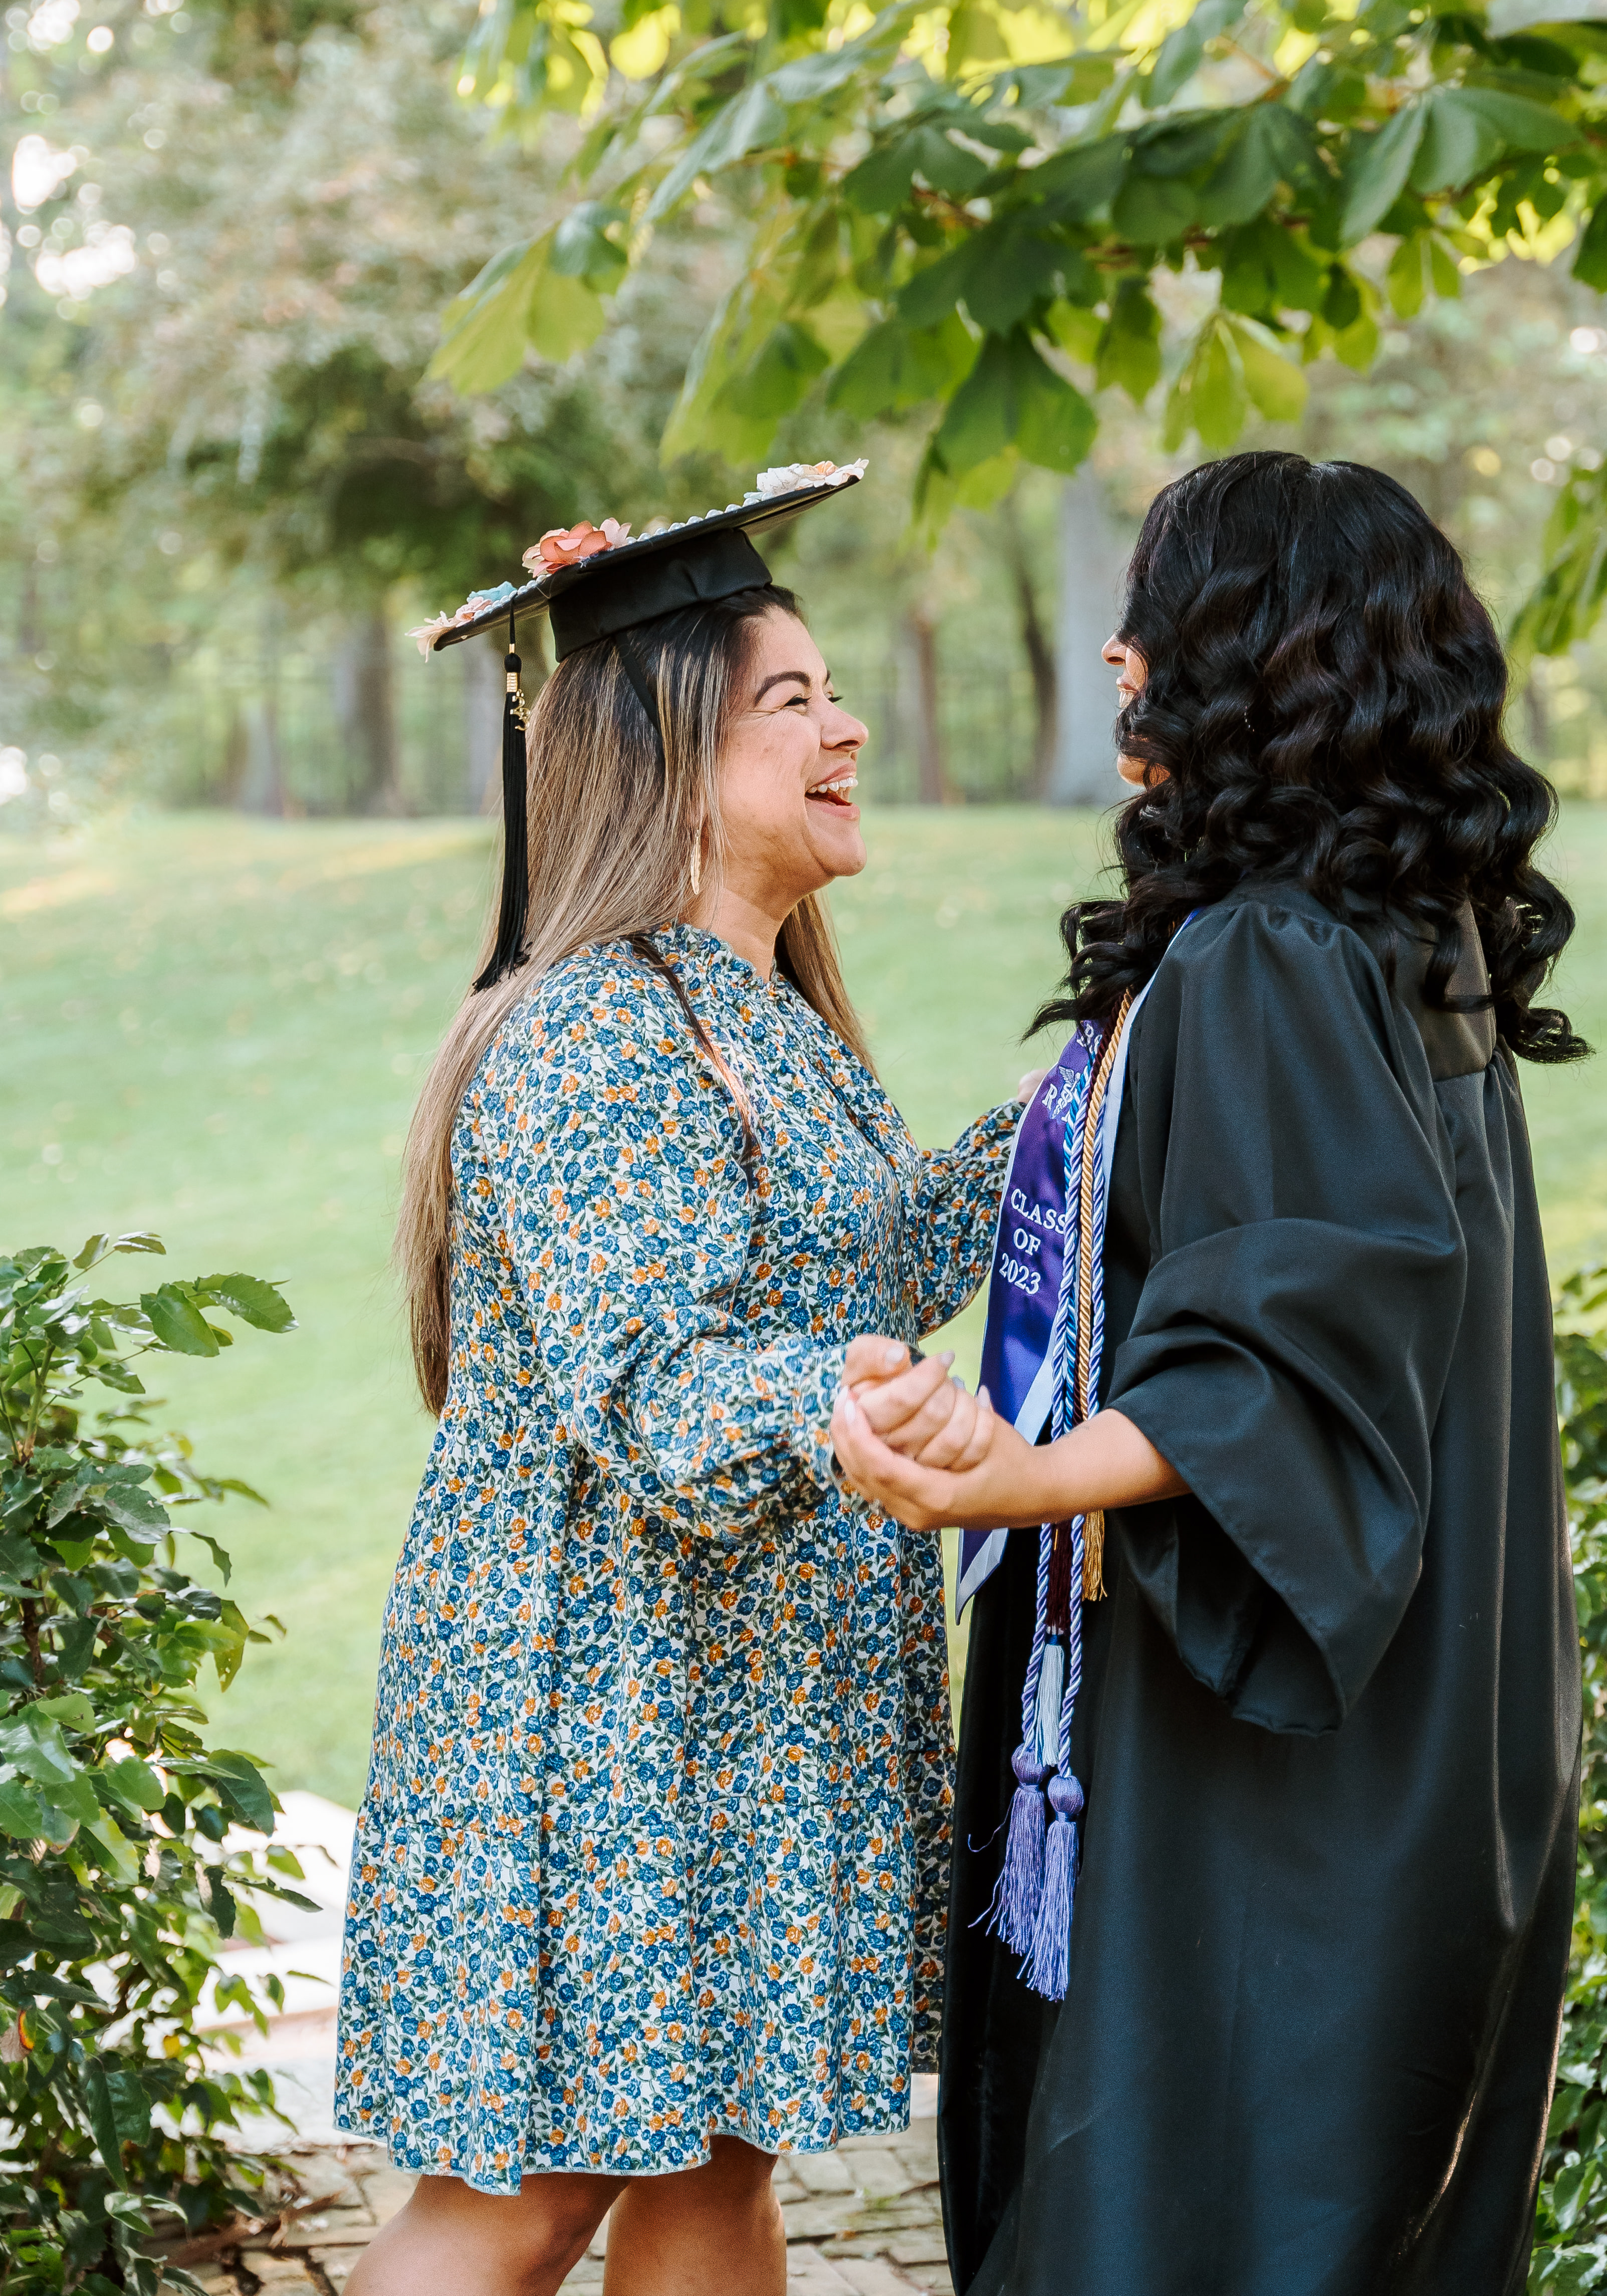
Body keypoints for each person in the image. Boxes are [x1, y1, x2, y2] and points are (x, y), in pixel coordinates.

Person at [834, 449, 1587, 2296]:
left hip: (1275, 1759)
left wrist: (1006, 1478)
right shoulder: (1423, 948)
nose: (1114, 652)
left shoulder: (1267, 957)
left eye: (1155, 614)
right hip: (1443, 1717)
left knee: (1192, 2214)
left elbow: (1283, 1346)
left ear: (1253, 653)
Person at [336, 463, 1015, 2296]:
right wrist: (843, 1401)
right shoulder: (594, 1033)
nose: (846, 725)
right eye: (792, 700)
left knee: (717, 2164)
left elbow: (871, 1266)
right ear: (665, 749)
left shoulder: (766, 1016)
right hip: (606, 1704)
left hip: (743, 1698)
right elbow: (659, 1402)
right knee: (535, 2194)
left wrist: (1098, 1091)